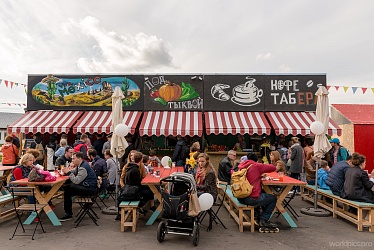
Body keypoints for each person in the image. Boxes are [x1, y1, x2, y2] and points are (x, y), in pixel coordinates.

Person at [236, 152, 278, 230]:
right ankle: (264, 220)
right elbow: (273, 168)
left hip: (240, 196)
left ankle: (257, 214)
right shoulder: (256, 165)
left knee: (264, 194)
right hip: (250, 198)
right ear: (256, 160)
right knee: (273, 198)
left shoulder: (242, 166)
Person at [59, 152, 98, 221]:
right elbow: (73, 171)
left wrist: (68, 172)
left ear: (79, 159)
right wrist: (65, 171)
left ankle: (68, 214)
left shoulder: (83, 168)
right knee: (68, 187)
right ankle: (68, 211)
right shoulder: (81, 165)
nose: (72, 160)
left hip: (89, 190)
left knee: (68, 189)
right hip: (88, 186)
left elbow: (76, 181)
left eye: (74, 159)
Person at [116, 152, 154, 220]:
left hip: (129, 189)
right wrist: (149, 187)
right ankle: (140, 208)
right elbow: (138, 184)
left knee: (149, 192)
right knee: (150, 193)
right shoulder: (135, 170)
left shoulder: (129, 166)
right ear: (141, 160)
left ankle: (142, 209)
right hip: (133, 191)